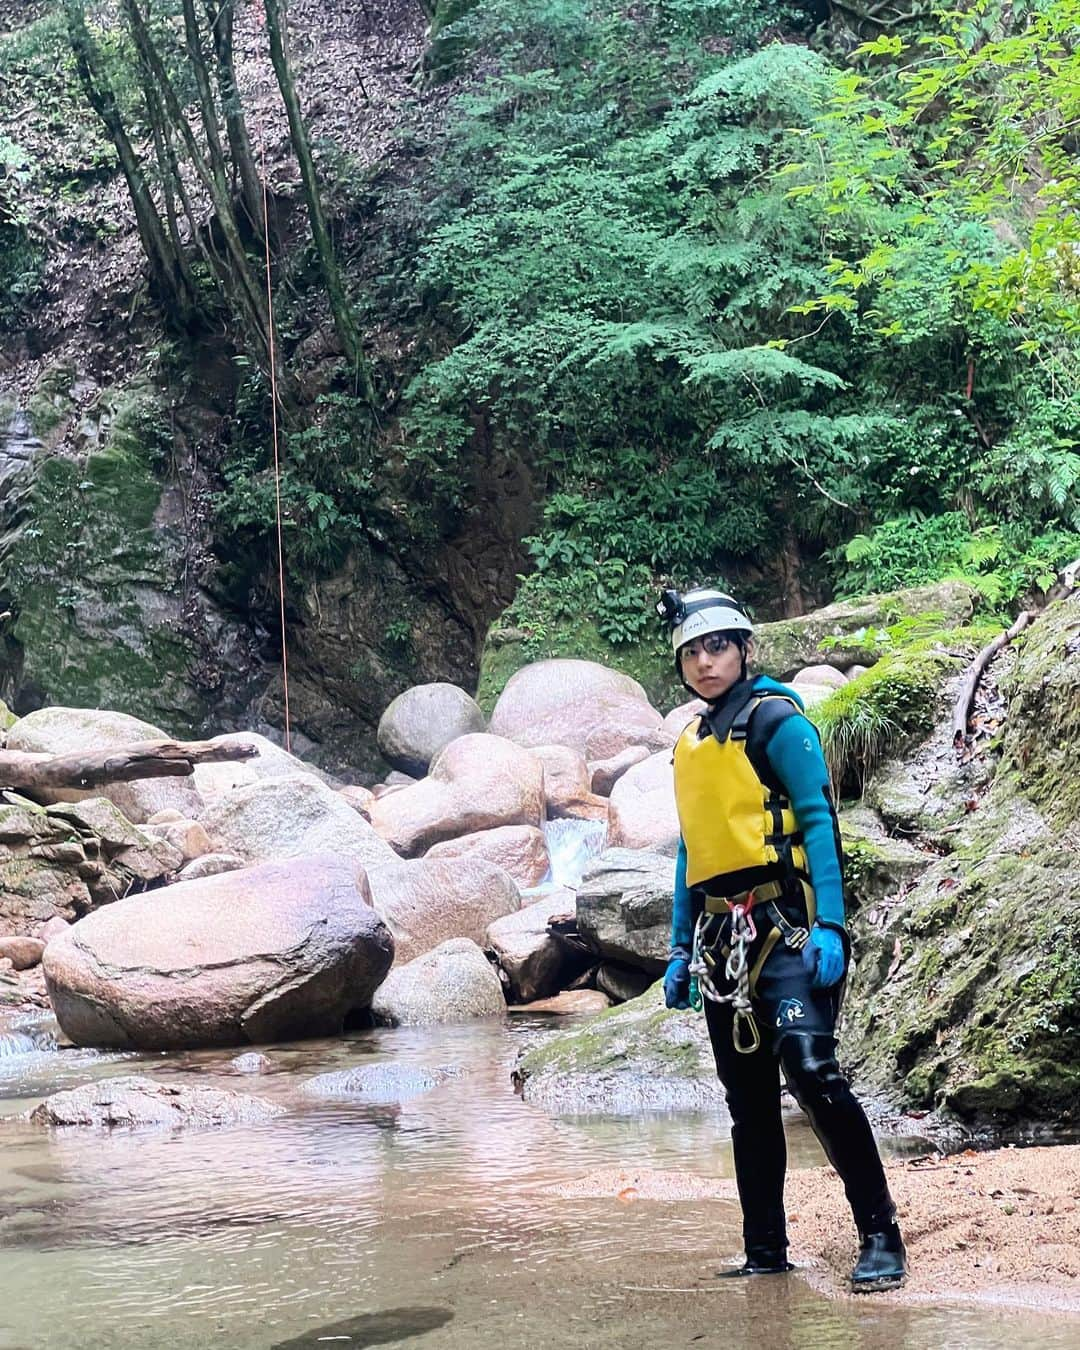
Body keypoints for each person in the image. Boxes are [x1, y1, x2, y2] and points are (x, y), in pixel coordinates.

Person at [657, 585, 907, 1292]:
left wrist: (831, 925)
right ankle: (765, 1248)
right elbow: (689, 850)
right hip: (719, 941)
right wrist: (678, 948)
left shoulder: (779, 724)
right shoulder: (690, 742)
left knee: (812, 1071)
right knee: (748, 1101)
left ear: (743, 649)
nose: (705, 662)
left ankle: (880, 1234)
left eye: (717, 647)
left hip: (788, 926)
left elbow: (820, 821)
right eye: (692, 652)